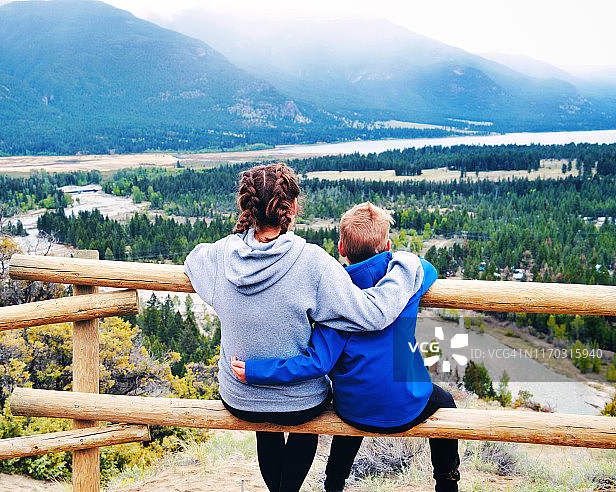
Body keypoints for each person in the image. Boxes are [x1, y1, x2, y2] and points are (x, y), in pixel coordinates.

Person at [183, 165, 426, 492]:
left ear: (246, 206)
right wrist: (407, 264)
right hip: (300, 402)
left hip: (240, 395)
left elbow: (193, 259)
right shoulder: (311, 261)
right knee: (306, 420)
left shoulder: (219, 255)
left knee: (265, 430)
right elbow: (373, 314)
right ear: (293, 207)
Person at [230, 201, 461, 492]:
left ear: (341, 248)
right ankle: (446, 480)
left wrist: (256, 370)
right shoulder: (405, 283)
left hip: (354, 410)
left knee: (350, 404)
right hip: (407, 406)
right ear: (387, 245)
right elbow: (428, 269)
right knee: (445, 401)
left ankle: (334, 482)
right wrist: (401, 258)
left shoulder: (334, 295)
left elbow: (317, 363)